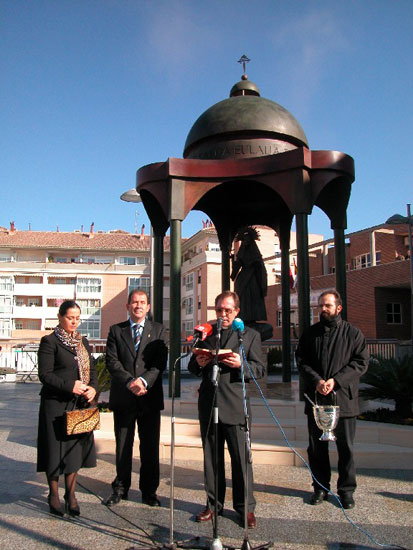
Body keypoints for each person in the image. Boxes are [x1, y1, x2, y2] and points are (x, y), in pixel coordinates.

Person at [188, 290, 265, 529]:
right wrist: (198, 362)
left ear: (237, 311)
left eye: (228, 310)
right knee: (212, 458)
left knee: (241, 460)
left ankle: (245, 508)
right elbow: (191, 366)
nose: (223, 315)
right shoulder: (206, 332)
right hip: (210, 404)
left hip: (235, 404)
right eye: (219, 310)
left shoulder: (249, 335)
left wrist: (242, 364)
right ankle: (213, 505)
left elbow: (260, 369)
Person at [296, 290, 369, 509]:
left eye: (327, 306)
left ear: (339, 308)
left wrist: (336, 381)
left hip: (343, 401)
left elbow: (360, 363)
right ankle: (320, 487)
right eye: (320, 306)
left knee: (346, 448)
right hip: (317, 400)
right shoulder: (310, 334)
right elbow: (301, 361)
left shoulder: (353, 334)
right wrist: (317, 380)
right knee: (316, 448)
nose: (323, 309)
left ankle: (346, 491)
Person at [104, 289, 168, 507]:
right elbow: (112, 362)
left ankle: (149, 491)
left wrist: (143, 382)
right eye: (134, 302)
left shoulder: (159, 330)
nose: (138, 305)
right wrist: (130, 381)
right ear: (128, 306)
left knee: (150, 447)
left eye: (142, 302)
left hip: (148, 398)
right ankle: (120, 488)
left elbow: (159, 362)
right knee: (123, 445)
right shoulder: (116, 330)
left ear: (148, 307)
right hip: (124, 397)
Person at [37, 300, 98, 517]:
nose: (74, 322)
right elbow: (44, 375)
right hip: (55, 404)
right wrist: (69, 386)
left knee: (73, 452)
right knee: (54, 452)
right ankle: (53, 494)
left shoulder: (83, 343)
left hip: (77, 405)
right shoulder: (49, 342)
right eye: (70, 317)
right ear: (60, 317)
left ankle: (71, 494)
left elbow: (93, 370)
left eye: (77, 318)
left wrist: (93, 389)